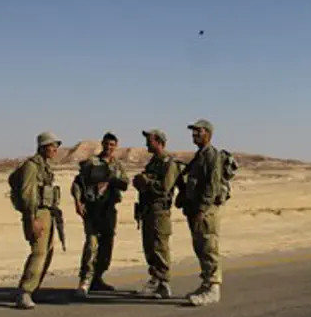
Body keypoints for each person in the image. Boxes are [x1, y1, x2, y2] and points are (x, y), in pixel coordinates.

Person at [71, 132, 129, 297]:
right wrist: (78, 202)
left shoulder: (117, 165)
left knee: (107, 245)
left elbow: (125, 184)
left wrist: (113, 179)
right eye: (107, 144)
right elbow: (77, 184)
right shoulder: (92, 163)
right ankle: (85, 280)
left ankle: (98, 277)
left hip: (109, 210)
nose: (109, 148)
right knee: (92, 243)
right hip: (92, 209)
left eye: (112, 145)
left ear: (116, 146)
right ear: (102, 144)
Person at [177, 119, 224, 306]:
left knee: (209, 247)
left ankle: (213, 288)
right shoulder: (200, 155)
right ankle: (206, 284)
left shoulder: (212, 155)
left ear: (208, 134)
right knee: (200, 248)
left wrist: (202, 209)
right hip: (196, 210)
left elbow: (212, 185)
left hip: (205, 212)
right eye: (194, 131)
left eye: (199, 131)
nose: (194, 134)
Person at [14, 131, 63, 310]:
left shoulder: (44, 166)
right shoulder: (32, 166)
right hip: (37, 213)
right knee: (39, 252)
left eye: (56, 146)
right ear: (43, 147)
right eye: (52, 146)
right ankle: (25, 292)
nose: (55, 149)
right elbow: (27, 194)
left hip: (47, 212)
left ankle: (34, 289)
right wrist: (32, 218)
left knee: (48, 252)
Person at [132, 129, 182, 299]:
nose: (146, 143)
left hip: (159, 211)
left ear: (159, 142)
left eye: (150, 140)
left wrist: (146, 182)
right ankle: (156, 280)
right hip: (148, 209)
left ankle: (163, 282)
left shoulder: (168, 162)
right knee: (149, 246)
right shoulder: (154, 162)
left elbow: (164, 187)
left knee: (159, 246)